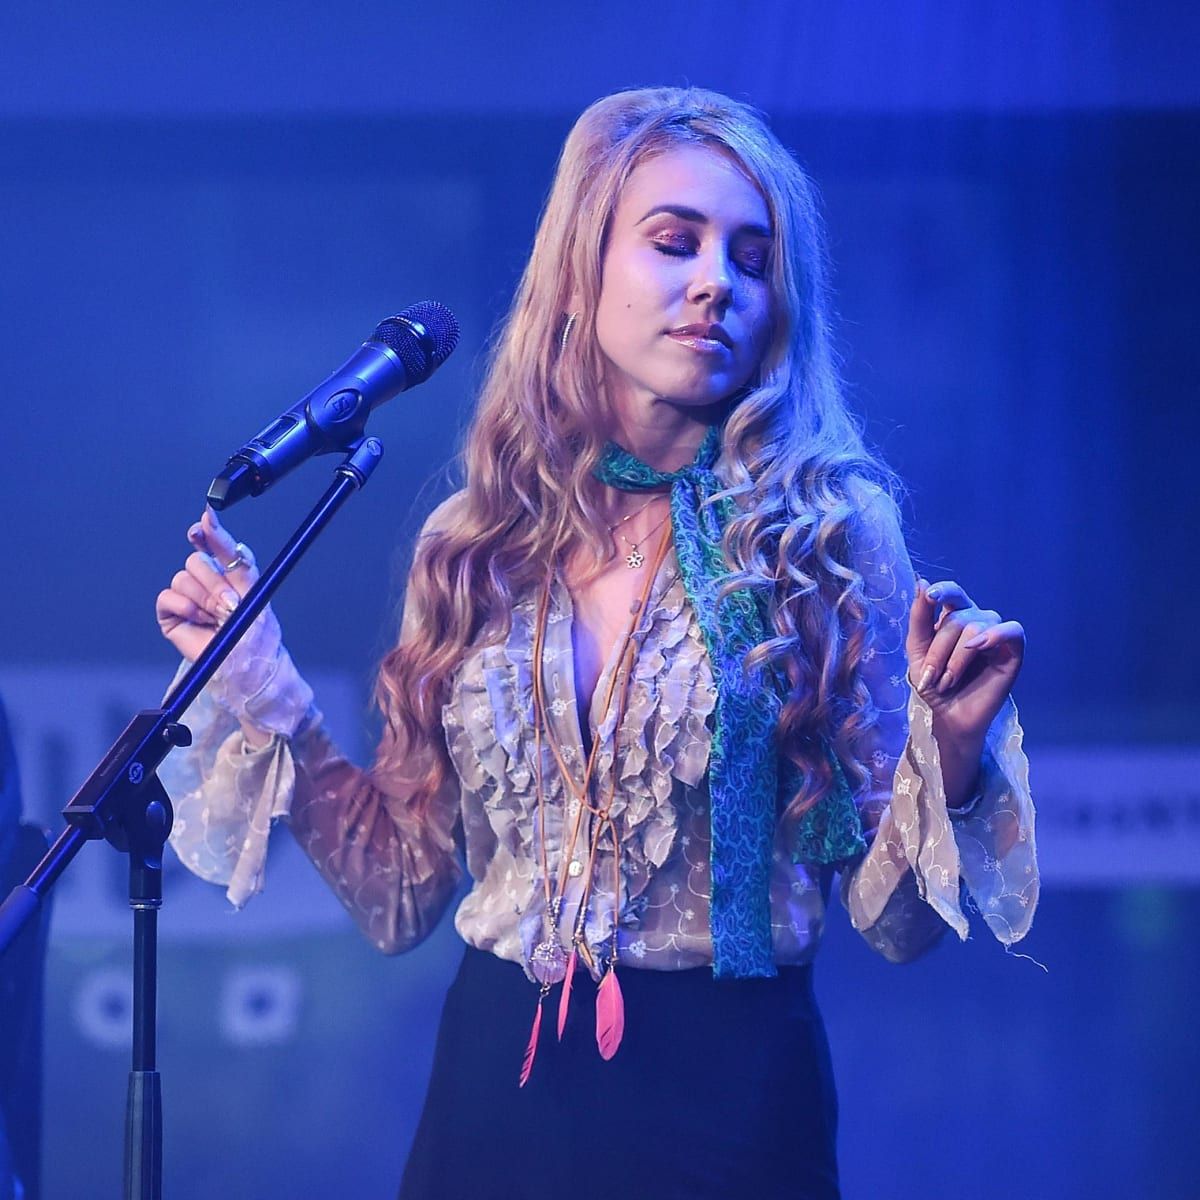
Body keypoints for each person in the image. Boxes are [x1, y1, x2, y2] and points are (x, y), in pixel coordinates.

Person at [156, 86, 1037, 1199]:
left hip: (728, 1101)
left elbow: (896, 925)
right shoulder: (477, 539)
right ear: (583, 271)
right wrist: (260, 684)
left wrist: (946, 762)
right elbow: (400, 896)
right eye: (676, 242)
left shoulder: (824, 532)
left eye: (754, 260)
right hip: (493, 1097)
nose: (718, 280)